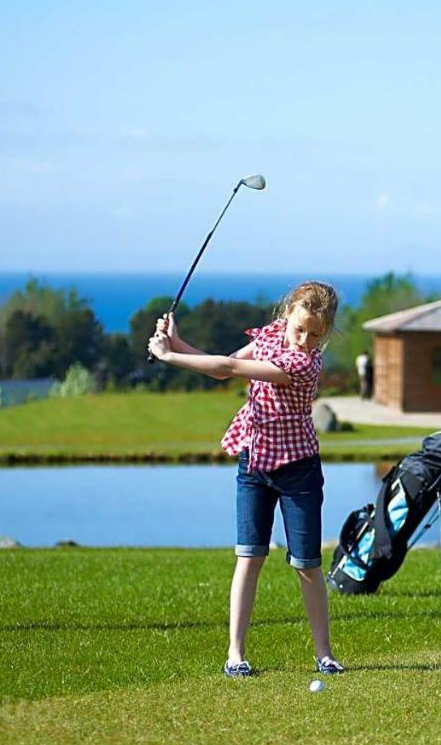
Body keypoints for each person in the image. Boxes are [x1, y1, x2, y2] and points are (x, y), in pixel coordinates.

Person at [148, 281, 348, 677]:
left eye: (315, 334)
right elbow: (223, 365)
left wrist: (169, 358)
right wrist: (178, 342)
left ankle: (324, 653)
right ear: (286, 316)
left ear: (325, 333)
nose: (305, 340)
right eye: (299, 329)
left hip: (299, 468)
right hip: (254, 461)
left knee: (306, 564)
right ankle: (235, 655)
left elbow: (230, 369)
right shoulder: (271, 336)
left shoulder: (304, 365)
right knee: (249, 557)